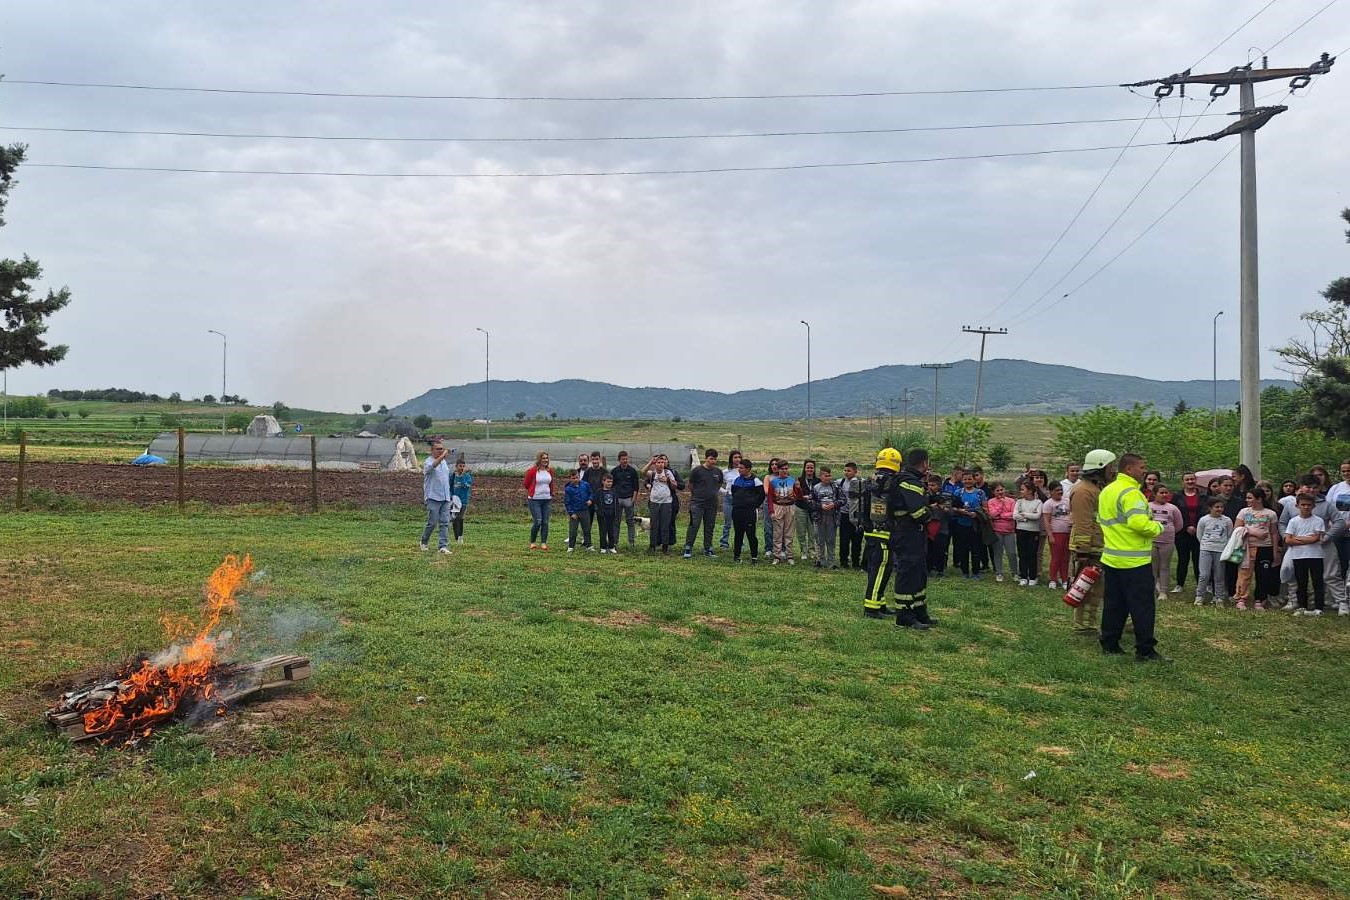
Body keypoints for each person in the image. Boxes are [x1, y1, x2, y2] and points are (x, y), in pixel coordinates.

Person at [1098, 452, 1166, 661]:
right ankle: (1145, 650)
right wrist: (1158, 527)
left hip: (1111, 558)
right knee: (1142, 607)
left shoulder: (1108, 490)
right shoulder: (1132, 493)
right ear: (1129, 469)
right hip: (1134, 561)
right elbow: (1139, 524)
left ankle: (1110, 643)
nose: (1145, 471)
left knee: (1114, 605)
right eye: (1142, 467)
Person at [886, 447, 936, 629]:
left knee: (919, 573)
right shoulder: (910, 482)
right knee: (908, 574)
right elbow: (918, 512)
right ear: (925, 462)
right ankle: (904, 615)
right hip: (907, 533)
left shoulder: (909, 479)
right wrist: (931, 513)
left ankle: (919, 611)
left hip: (912, 533)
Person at [1069, 450, 1114, 635]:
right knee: (1088, 587)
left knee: (1098, 588)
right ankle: (1084, 625)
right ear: (1100, 468)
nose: (1113, 470)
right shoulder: (1083, 491)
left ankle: (1090, 622)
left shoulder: (1095, 488)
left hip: (1098, 544)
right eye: (1110, 466)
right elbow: (1083, 522)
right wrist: (1083, 551)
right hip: (1089, 548)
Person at [1233, 487, 1281, 611]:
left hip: (1265, 547)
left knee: (1263, 575)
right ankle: (1241, 599)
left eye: (1250, 498)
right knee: (1245, 574)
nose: (1247, 500)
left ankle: (1259, 599)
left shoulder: (1270, 514)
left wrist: (1275, 551)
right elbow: (1237, 528)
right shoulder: (1244, 512)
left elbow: (1274, 533)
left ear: (1259, 499)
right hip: (1248, 547)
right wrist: (1254, 532)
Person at [1284, 494, 1327, 615]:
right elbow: (1288, 540)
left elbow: (1316, 538)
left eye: (1309, 505)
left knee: (1317, 582)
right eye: (1303, 504)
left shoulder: (1318, 520)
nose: (1306, 507)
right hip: (1298, 555)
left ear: (1313, 506)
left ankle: (1319, 607)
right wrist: (1307, 539)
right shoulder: (1293, 521)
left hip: (1315, 555)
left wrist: (1297, 538)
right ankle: (1302, 606)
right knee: (1301, 582)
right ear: (1297, 506)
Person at [683, 449, 724, 559]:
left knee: (709, 526)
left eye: (715, 459)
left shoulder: (718, 472)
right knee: (694, 525)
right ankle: (688, 547)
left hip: (712, 504)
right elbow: (690, 486)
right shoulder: (697, 471)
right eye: (711, 459)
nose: (713, 461)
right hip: (697, 503)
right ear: (706, 458)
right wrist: (698, 494)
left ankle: (708, 548)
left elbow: (719, 485)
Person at [1195, 498, 1233, 606]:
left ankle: (1219, 597)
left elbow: (1229, 535)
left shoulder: (1227, 521)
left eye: (1221, 507)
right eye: (1217, 507)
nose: (1219, 509)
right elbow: (1199, 534)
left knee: (1219, 575)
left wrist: (1225, 547)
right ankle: (1199, 596)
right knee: (1204, 574)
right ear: (1210, 508)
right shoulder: (1203, 520)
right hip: (1206, 549)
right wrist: (1205, 545)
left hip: (1220, 550)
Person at [420, 438, 454, 554]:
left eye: (442, 449)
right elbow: (432, 467)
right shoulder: (428, 462)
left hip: (445, 497)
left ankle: (443, 546)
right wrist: (442, 456)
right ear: (432, 450)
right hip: (433, 497)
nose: (441, 451)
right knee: (432, 522)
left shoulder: (444, 463)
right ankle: (424, 541)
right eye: (438, 449)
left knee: (445, 522)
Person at [1149, 485, 1182, 600]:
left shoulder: (1173, 508)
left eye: (1166, 493)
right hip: (1151, 540)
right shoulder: (1148, 506)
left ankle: (1163, 592)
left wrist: (1168, 532)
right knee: (1152, 566)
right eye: (1161, 493)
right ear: (1154, 494)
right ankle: (1152, 589)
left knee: (1165, 566)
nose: (1164, 495)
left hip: (1167, 541)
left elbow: (1179, 524)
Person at [1172, 473, 1204, 594]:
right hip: (1182, 532)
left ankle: (1200, 584)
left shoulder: (1203, 496)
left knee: (1198, 559)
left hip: (1199, 532)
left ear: (1196, 480)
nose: (1190, 481)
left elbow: (1205, 512)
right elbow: (1175, 513)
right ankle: (1180, 584)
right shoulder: (1176, 497)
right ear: (1183, 482)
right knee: (1183, 559)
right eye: (1187, 479)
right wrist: (1186, 526)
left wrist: (1196, 527)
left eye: (1192, 479)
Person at [949, 471, 985, 578]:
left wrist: (976, 514)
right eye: (965, 479)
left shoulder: (980, 493)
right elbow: (952, 507)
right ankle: (964, 571)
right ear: (962, 480)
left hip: (975, 525)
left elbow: (985, 508)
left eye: (970, 479)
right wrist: (960, 511)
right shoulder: (958, 492)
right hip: (961, 524)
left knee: (976, 549)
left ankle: (976, 572)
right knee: (963, 548)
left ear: (974, 480)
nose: (967, 481)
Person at [729, 458, 765, 564]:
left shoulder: (755, 481)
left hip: (749, 512)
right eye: (739, 467)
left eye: (741, 468)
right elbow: (734, 493)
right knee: (738, 534)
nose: (739, 469)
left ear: (748, 469)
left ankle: (754, 557)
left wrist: (754, 505)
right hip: (737, 511)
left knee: (751, 534)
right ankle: (736, 556)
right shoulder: (736, 480)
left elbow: (762, 495)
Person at [643, 455, 678, 554]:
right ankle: (652, 546)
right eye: (658, 462)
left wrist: (668, 480)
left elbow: (675, 486)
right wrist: (650, 462)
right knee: (654, 525)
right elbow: (643, 472)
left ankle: (665, 547)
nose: (661, 464)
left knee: (665, 525)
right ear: (655, 464)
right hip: (654, 501)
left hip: (666, 502)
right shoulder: (652, 473)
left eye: (662, 462)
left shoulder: (668, 473)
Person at [812, 466, 844, 570]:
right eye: (826, 476)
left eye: (830, 475)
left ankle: (831, 562)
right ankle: (821, 560)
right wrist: (820, 506)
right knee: (820, 540)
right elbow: (811, 502)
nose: (828, 478)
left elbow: (843, 500)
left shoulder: (836, 487)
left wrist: (834, 504)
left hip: (832, 516)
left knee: (831, 540)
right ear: (820, 476)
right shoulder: (816, 487)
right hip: (820, 517)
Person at [1041, 482, 1071, 589]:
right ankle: (1053, 579)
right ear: (1051, 492)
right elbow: (1046, 521)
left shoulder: (1067, 501)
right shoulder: (1048, 504)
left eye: (1061, 489)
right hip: (1056, 533)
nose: (1060, 492)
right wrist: (1050, 535)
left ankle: (1064, 579)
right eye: (1057, 490)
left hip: (1068, 533)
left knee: (1065, 557)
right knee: (1056, 557)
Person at [768, 461, 798, 564]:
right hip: (778, 506)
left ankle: (789, 555)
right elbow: (770, 498)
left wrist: (797, 489)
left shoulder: (792, 480)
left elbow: (798, 496)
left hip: (790, 507)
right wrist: (771, 511)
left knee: (789, 532)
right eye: (782, 469)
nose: (784, 471)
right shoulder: (773, 481)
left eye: (786, 469)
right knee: (778, 532)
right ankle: (777, 555)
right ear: (778, 470)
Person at [986, 483, 1017, 583]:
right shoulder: (991, 501)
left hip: (1010, 531)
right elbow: (992, 515)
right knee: (997, 553)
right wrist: (1001, 505)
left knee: (1012, 553)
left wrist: (1001, 516)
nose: (1000, 492)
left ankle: (1015, 573)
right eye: (997, 491)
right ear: (993, 492)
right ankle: (999, 573)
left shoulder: (1012, 501)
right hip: (997, 531)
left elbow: (1013, 514)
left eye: (1001, 490)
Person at [1013, 481, 1043, 586]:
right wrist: (1027, 517)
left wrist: (1024, 514)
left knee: (1032, 554)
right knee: (1022, 553)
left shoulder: (1038, 502)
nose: (1021, 491)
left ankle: (1033, 577)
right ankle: (1023, 576)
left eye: (1023, 489)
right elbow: (1015, 515)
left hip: (1033, 532)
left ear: (1030, 491)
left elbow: (1037, 516)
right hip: (1021, 530)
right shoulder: (1019, 502)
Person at [609, 451, 641, 548]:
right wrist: (613, 498)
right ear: (619, 460)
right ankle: (615, 541)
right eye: (623, 459)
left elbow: (636, 487)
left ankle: (631, 542)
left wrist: (633, 500)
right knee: (616, 521)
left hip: (629, 499)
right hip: (617, 498)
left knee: (630, 521)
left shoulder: (632, 471)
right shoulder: (614, 471)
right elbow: (611, 485)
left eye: (626, 459)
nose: (625, 461)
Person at [523, 450, 554, 550]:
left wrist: (550, 494)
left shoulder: (550, 470)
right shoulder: (532, 471)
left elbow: (551, 483)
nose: (545, 460)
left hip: (547, 500)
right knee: (538, 521)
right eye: (543, 458)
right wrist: (533, 491)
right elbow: (526, 484)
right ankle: (532, 542)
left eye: (547, 458)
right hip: (535, 500)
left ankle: (543, 543)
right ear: (539, 459)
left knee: (545, 522)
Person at [838, 462, 865, 570]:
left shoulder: (861, 483)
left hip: (857, 515)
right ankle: (843, 561)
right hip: (844, 514)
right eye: (845, 470)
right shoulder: (840, 482)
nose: (846, 472)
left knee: (857, 540)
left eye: (849, 470)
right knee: (844, 539)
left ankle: (856, 562)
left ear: (855, 471)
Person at [924, 474, 952, 577]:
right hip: (928, 527)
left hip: (942, 528)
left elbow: (950, 512)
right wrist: (929, 506)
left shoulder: (946, 496)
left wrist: (942, 507)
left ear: (939, 486)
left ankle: (940, 570)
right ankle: (928, 569)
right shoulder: (924, 495)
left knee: (940, 550)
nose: (930, 487)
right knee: (928, 549)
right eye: (929, 485)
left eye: (933, 485)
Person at [795, 459, 821, 564]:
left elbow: (819, 495)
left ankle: (812, 551)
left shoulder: (818, 481)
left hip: (813, 509)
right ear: (804, 468)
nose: (810, 469)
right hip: (800, 507)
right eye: (808, 467)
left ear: (814, 469)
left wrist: (811, 497)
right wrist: (798, 490)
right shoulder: (799, 480)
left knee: (813, 532)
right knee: (801, 531)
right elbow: (795, 495)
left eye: (811, 467)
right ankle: (803, 551)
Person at [563, 468, 594, 552]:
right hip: (575, 512)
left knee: (586, 529)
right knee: (573, 530)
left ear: (579, 476)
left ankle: (588, 545)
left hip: (585, 511)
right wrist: (571, 513)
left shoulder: (585, 484)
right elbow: (567, 502)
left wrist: (590, 500)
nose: (575, 480)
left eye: (577, 477)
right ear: (570, 478)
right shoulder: (568, 489)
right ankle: (571, 547)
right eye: (573, 478)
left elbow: (591, 493)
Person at [718, 449, 743, 550]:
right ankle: (724, 543)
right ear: (731, 459)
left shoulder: (743, 471)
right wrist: (725, 492)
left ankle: (740, 543)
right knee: (727, 522)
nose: (737, 459)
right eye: (735, 457)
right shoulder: (726, 472)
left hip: (740, 499)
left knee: (740, 522)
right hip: (729, 498)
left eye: (739, 457)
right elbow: (717, 485)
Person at [449, 456, 472, 545]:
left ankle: (460, 537)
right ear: (456, 466)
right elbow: (450, 487)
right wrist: (451, 496)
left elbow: (467, 486)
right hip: (455, 501)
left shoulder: (467, 476)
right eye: (460, 466)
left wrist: (462, 478)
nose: (461, 468)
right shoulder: (453, 476)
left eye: (463, 466)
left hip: (463, 501)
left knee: (460, 518)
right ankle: (456, 536)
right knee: (454, 518)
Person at [596, 473, 619, 554]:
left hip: (612, 515)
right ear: (603, 481)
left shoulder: (614, 491)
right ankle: (603, 547)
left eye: (611, 482)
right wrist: (599, 511)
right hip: (602, 515)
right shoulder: (599, 492)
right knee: (603, 531)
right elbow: (596, 502)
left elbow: (616, 503)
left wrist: (616, 512)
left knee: (611, 531)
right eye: (608, 482)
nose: (609, 483)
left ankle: (611, 546)